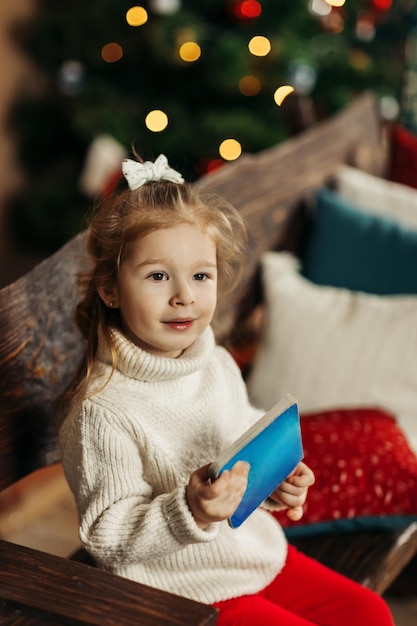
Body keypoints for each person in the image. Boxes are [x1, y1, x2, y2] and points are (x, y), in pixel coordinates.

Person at [59, 153, 394, 625]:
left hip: (246, 554)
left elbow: (239, 444)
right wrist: (190, 509)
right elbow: (107, 537)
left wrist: (273, 481)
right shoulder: (103, 412)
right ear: (111, 289)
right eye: (158, 276)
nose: (184, 296)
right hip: (178, 592)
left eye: (200, 275)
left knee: (369, 613)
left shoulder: (212, 362)